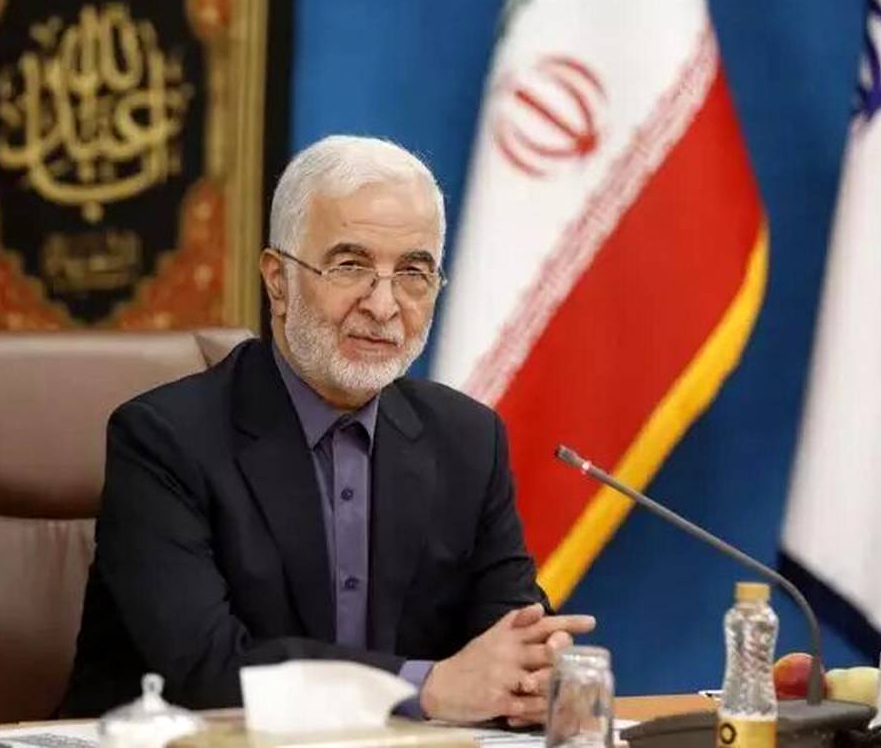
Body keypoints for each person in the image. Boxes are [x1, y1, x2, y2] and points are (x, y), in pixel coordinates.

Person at [60, 135, 595, 724]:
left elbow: (508, 631)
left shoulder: (467, 440)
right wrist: (423, 688)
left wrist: (532, 673)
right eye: (350, 266)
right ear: (278, 280)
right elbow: (207, 672)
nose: (384, 306)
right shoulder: (163, 440)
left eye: (413, 273)